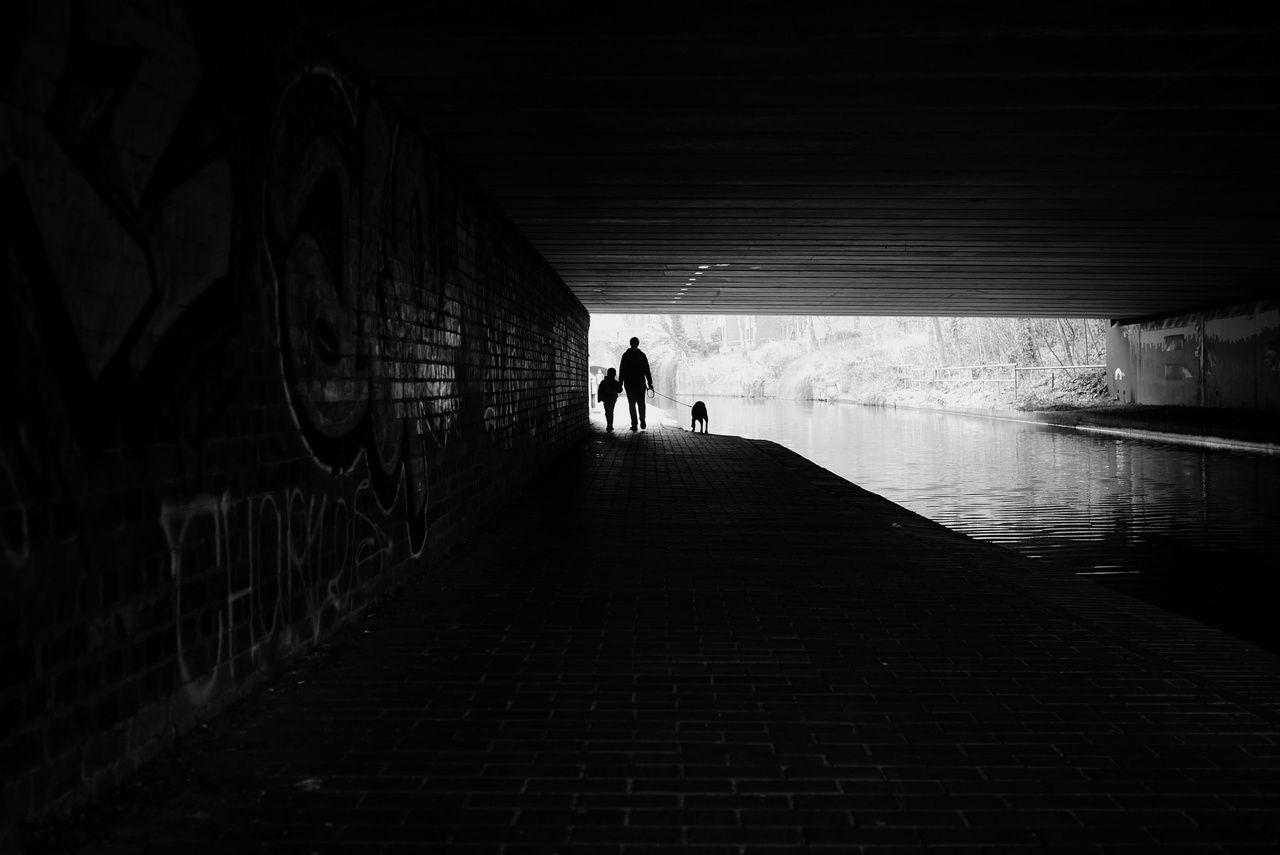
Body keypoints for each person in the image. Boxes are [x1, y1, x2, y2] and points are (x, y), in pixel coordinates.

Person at [618, 336, 653, 431]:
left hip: (629, 384)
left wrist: (620, 383)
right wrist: (650, 383)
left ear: (630, 343)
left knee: (631, 404)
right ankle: (642, 420)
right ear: (638, 344)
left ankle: (634, 424)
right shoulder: (642, 355)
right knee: (641, 403)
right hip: (640, 383)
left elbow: (622, 370)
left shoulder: (626, 355)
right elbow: (647, 370)